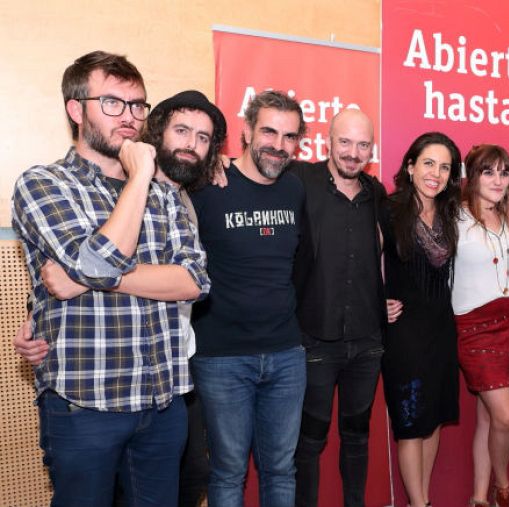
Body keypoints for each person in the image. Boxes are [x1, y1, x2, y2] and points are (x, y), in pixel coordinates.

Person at [11, 50, 209, 507]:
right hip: (85, 403)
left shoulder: (166, 195)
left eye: (138, 105)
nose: (130, 117)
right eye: (113, 103)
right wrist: (139, 177)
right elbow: (98, 261)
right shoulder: (43, 183)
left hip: (162, 400)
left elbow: (193, 280)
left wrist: (85, 278)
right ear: (76, 109)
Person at [190, 90, 307, 507]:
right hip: (222, 357)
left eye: (290, 136)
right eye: (270, 131)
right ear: (246, 130)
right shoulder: (205, 186)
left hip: (287, 355)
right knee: (227, 473)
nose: (279, 144)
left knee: (281, 470)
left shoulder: (295, 188)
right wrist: (209, 161)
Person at [291, 108, 386, 507]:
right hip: (314, 340)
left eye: (363, 145)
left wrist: (391, 298)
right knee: (308, 442)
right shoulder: (298, 180)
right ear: (328, 140)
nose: (353, 153)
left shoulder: (376, 193)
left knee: (357, 437)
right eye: (345, 142)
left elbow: (393, 253)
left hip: (367, 343)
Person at [381, 132, 463, 507]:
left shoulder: (449, 213)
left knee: (433, 420)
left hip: (442, 331)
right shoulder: (388, 208)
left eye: (445, 167)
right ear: (410, 166)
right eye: (428, 163)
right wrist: (376, 302)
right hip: (404, 334)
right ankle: (418, 504)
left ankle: (422, 498)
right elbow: (358, 261)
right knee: (411, 424)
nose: (436, 173)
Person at [452, 144, 509, 507]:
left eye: (504, 172)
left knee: (488, 418)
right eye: (488, 171)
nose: (498, 180)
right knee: (507, 415)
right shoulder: (454, 218)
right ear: (472, 176)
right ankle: (503, 485)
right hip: (475, 328)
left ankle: (478, 498)